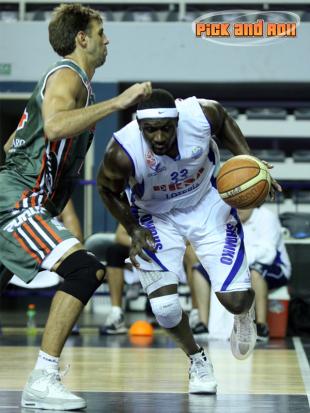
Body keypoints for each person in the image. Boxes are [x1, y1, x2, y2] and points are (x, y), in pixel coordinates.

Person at [0, 4, 151, 410]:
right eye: (101, 32)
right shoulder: (68, 75)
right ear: (81, 38)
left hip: (23, 200)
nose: (107, 39)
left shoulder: (74, 83)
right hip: (16, 202)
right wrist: (118, 101)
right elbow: (52, 126)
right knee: (86, 269)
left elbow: (18, 144)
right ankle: (43, 378)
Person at [97, 88, 281, 394]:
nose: (158, 138)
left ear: (177, 120)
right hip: (154, 216)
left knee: (234, 300)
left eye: (165, 128)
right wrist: (132, 227)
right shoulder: (122, 151)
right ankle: (197, 360)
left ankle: (243, 313)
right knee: (166, 308)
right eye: (150, 130)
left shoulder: (200, 115)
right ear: (139, 126)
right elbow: (106, 190)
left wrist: (250, 162)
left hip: (208, 203)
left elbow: (222, 120)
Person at [193, 206, 291, 342]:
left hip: (275, 266)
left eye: (243, 206)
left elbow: (268, 253)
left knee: (255, 272)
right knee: (199, 270)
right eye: (236, 206)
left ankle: (261, 326)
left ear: (252, 203)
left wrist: (237, 261)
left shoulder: (267, 217)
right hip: (240, 265)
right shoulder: (227, 218)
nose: (239, 209)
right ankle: (203, 324)